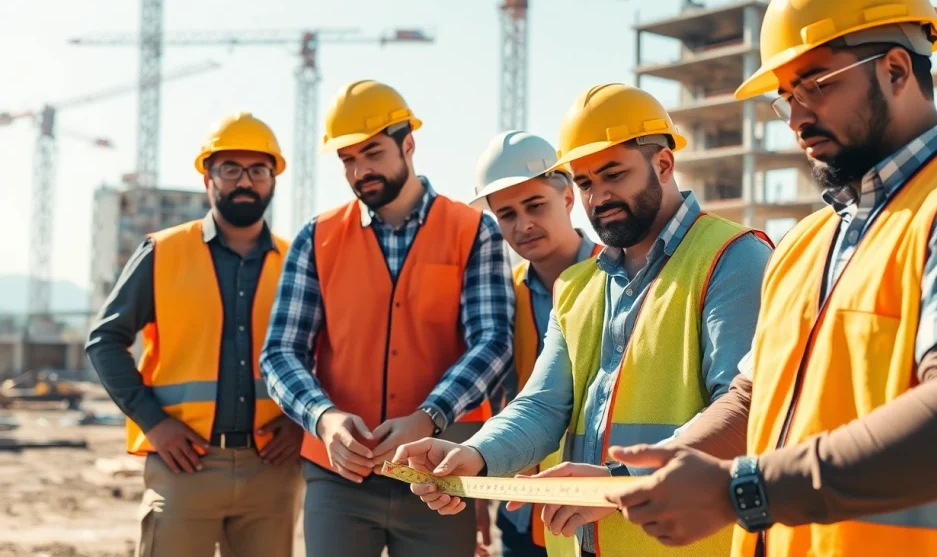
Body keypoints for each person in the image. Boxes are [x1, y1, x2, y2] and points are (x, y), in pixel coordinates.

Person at [599, 0, 937, 556]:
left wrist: (740, 491)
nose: (796, 118)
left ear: (896, 70)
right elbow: (752, 396)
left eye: (815, 84)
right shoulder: (804, 243)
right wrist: (631, 479)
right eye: (786, 97)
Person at [395, 83, 774, 557]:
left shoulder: (734, 258)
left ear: (663, 164)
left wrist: (619, 483)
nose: (599, 196)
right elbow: (541, 406)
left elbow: (746, 408)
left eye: (614, 174)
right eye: (586, 182)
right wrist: (475, 455)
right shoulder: (577, 287)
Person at [259, 79, 514, 557]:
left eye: (372, 152)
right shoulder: (317, 238)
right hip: (338, 477)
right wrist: (324, 419)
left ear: (408, 144)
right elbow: (280, 352)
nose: (360, 170)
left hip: (439, 472)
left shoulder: (472, 230)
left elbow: (494, 341)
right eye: (348, 159)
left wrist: (429, 418)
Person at [86, 112, 304, 557]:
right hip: (183, 462)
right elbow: (105, 341)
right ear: (208, 177)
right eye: (230, 169)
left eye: (258, 169)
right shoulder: (163, 252)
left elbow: (327, 351)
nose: (246, 180)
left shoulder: (297, 260)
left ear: (273, 179)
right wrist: (156, 424)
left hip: (272, 468)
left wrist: (301, 423)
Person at [468, 130, 603, 557]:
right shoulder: (503, 297)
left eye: (535, 205)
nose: (522, 224)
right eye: (506, 214)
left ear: (568, 199)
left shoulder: (623, 280)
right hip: (521, 510)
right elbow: (493, 400)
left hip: (598, 505)